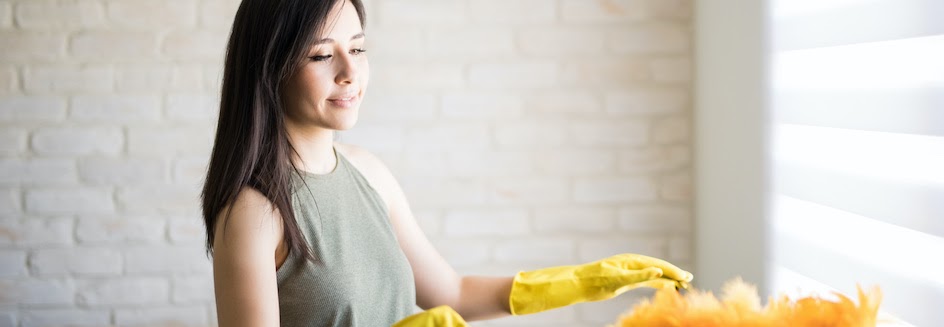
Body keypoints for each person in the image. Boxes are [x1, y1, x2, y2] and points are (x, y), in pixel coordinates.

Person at [200, 0, 694, 326]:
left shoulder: (369, 174)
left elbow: (452, 293)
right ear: (272, 66)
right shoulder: (253, 214)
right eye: (320, 56)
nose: (351, 73)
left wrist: (585, 281)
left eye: (358, 49)